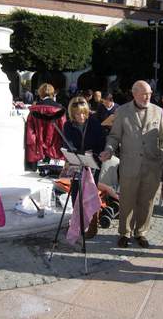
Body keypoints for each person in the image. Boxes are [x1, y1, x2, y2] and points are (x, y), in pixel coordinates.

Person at [100, 80, 163, 248]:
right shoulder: (122, 111)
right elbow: (114, 136)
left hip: (151, 166)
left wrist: (161, 161)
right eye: (144, 93)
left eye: (150, 93)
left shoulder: (158, 111)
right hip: (129, 165)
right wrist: (109, 150)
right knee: (127, 201)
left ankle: (141, 232)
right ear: (134, 93)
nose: (148, 96)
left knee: (147, 201)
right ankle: (124, 232)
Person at [64, 96, 106, 238]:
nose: (80, 116)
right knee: (76, 194)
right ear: (72, 113)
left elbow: (101, 143)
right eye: (77, 114)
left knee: (90, 193)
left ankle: (93, 223)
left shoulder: (94, 124)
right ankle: (78, 223)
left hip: (92, 164)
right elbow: (66, 142)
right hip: (76, 163)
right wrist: (72, 151)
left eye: (83, 113)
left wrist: (93, 154)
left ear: (87, 111)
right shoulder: (68, 125)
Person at [26, 83, 66, 167]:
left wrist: (32, 144)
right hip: (55, 146)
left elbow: (30, 131)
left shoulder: (34, 109)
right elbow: (63, 129)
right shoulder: (59, 109)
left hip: (39, 147)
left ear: (40, 93)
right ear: (52, 93)